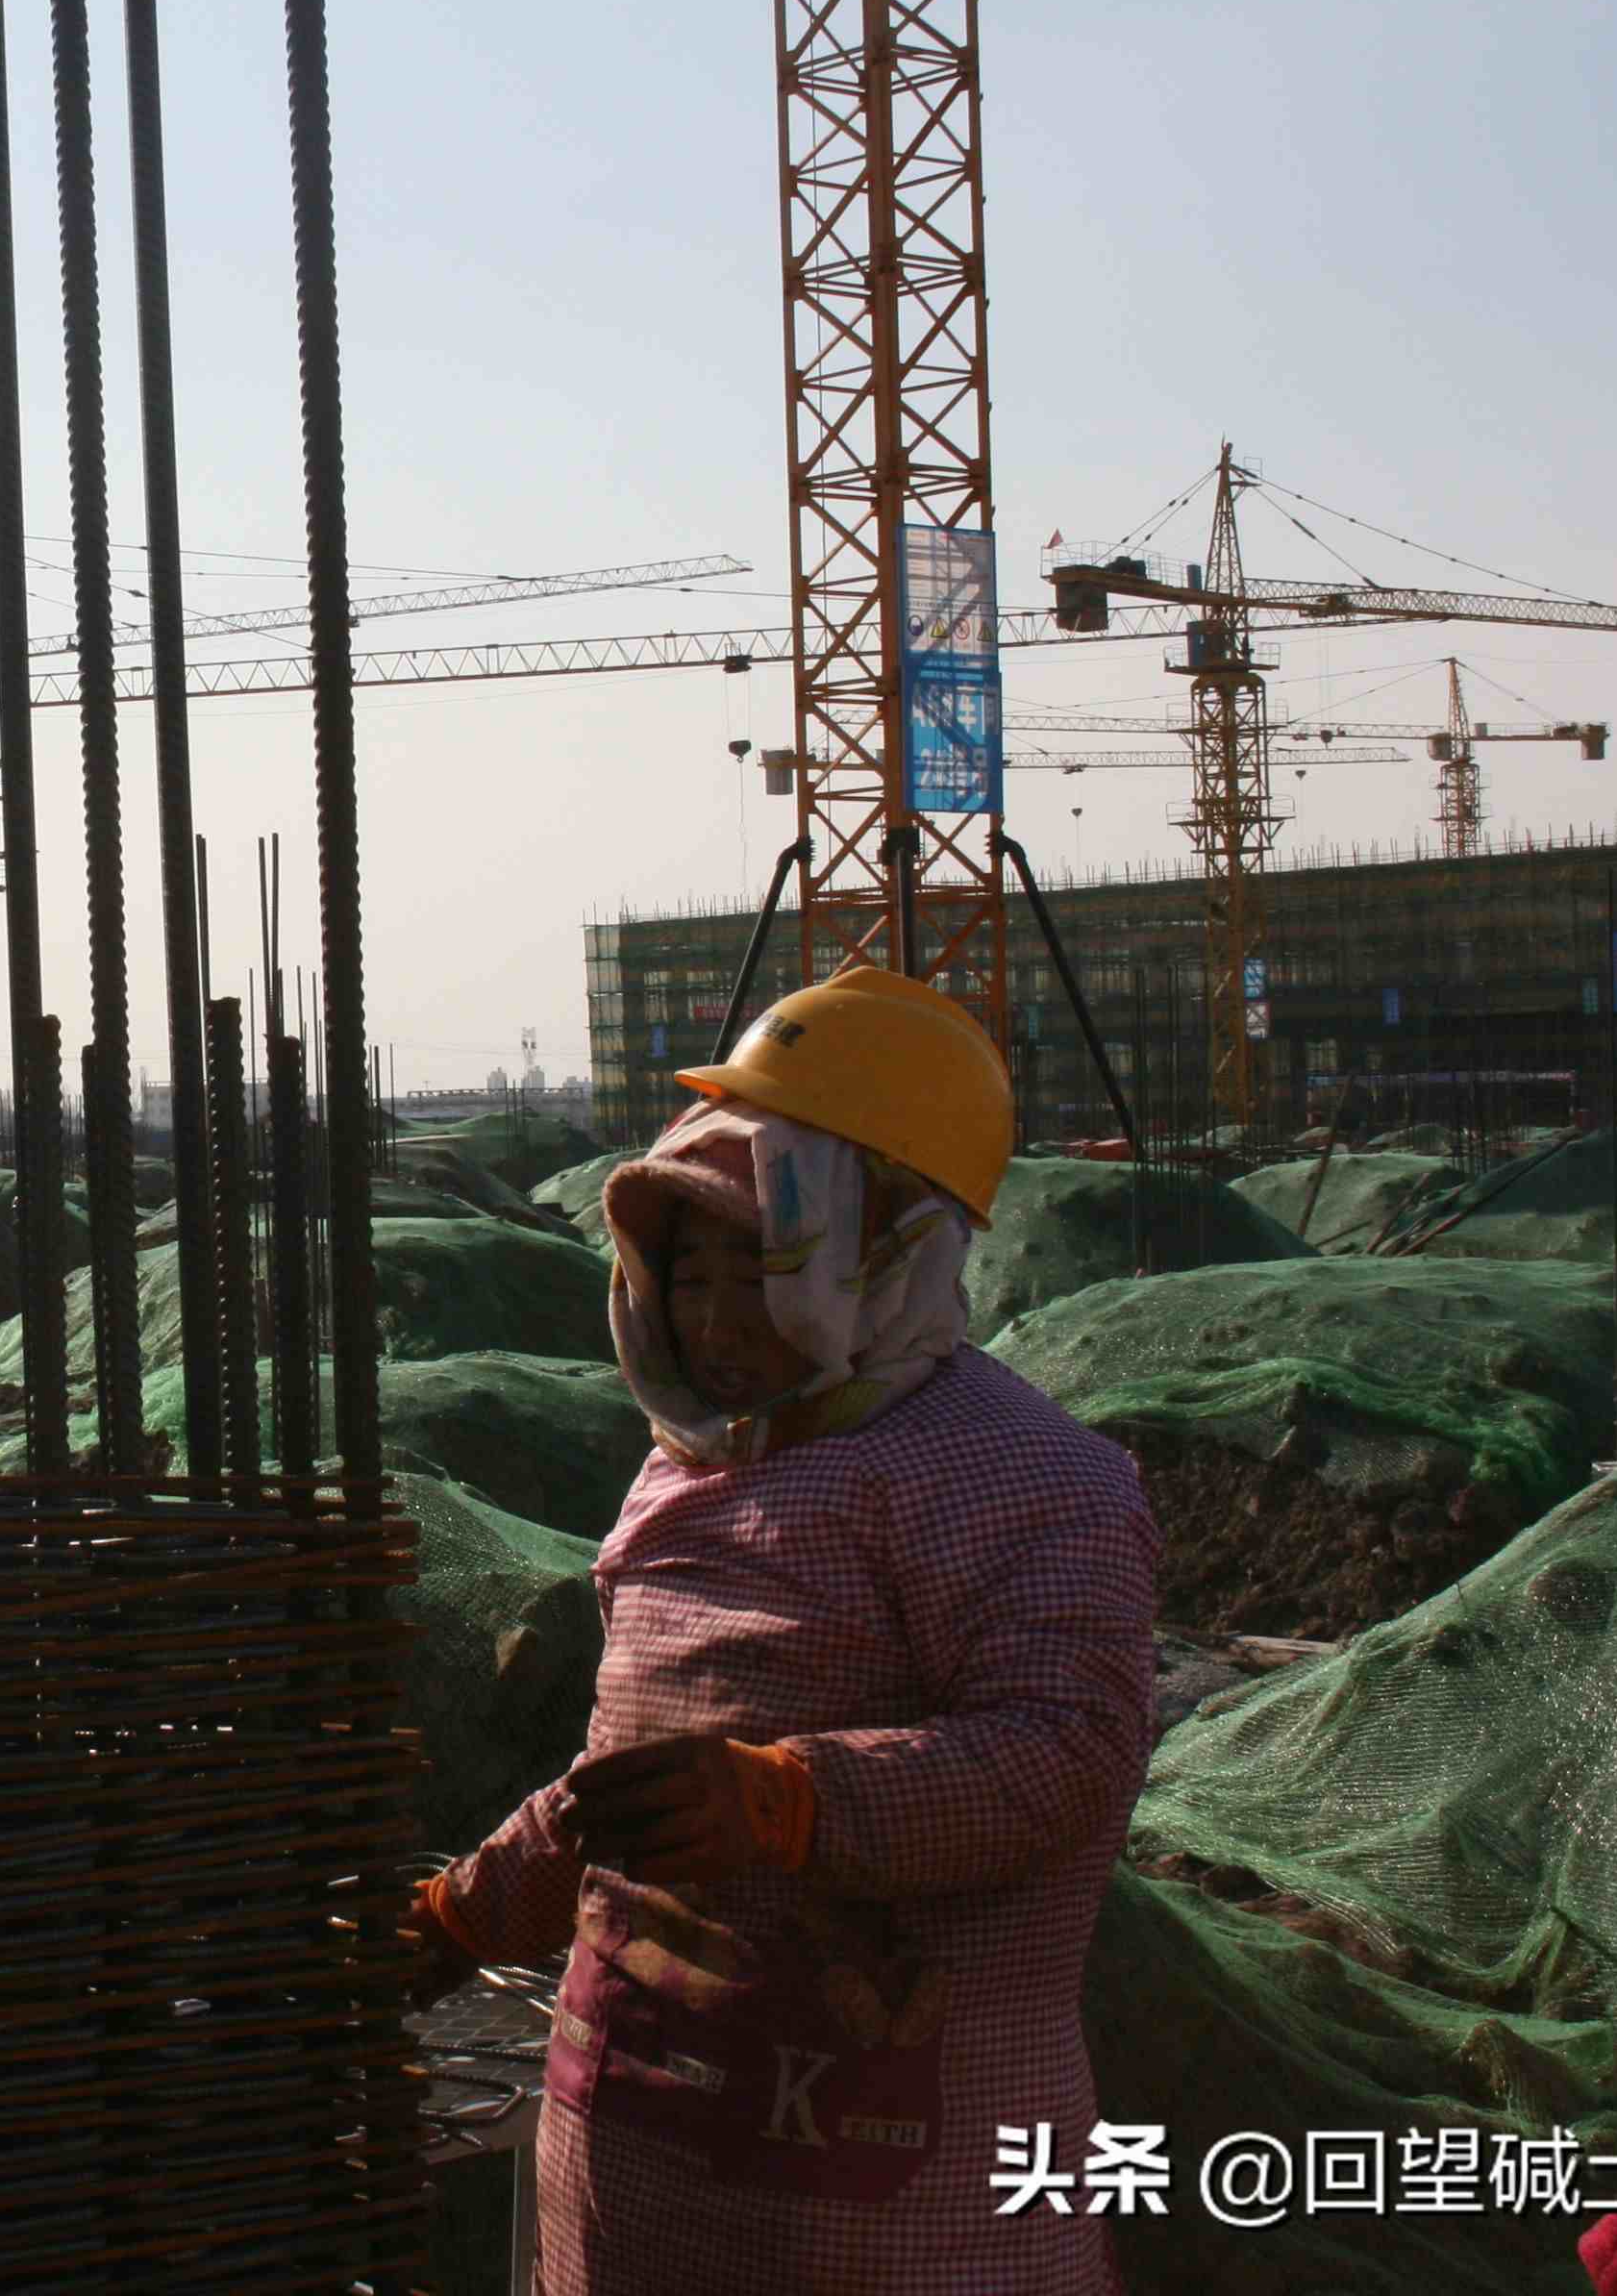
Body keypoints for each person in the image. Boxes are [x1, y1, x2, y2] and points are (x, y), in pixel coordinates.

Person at [403, 965, 1161, 2295]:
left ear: (889, 1250)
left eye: (756, 1267)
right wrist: (456, 1920)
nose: (705, 1317)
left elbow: (1069, 1749)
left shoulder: (1023, 1477)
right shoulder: (690, 1468)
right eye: (684, 1274)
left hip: (889, 2197)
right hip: (638, 2155)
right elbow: (621, 1783)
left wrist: (794, 1804)